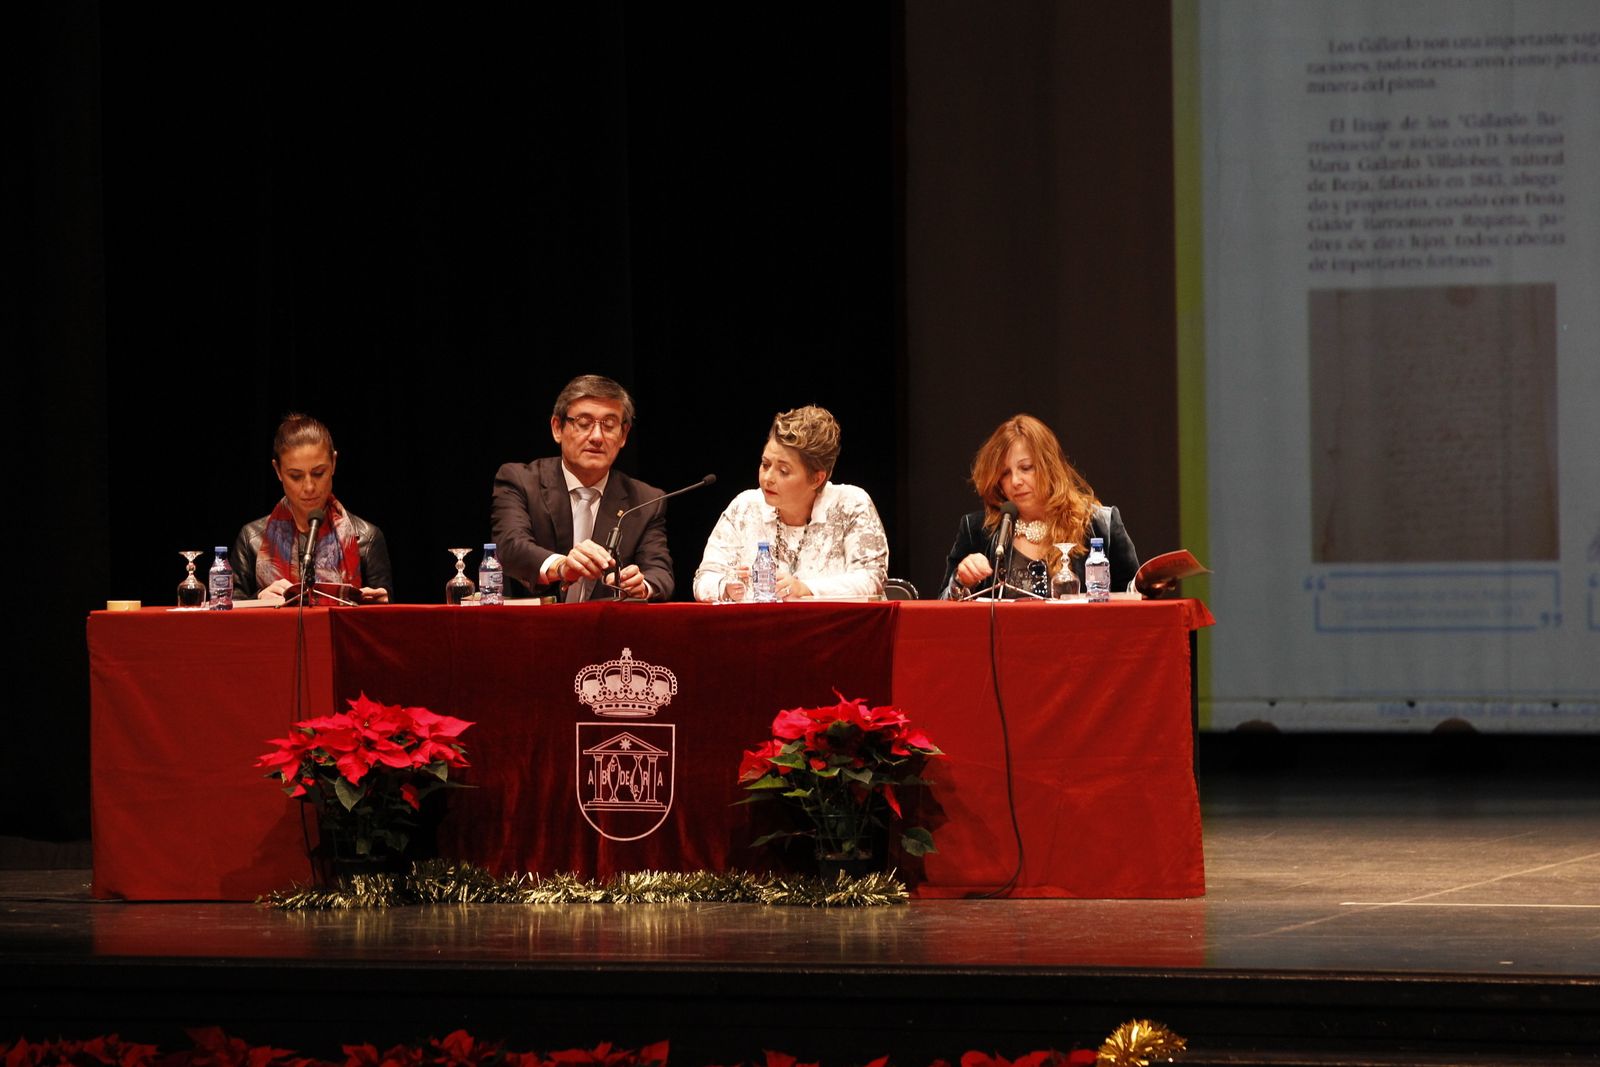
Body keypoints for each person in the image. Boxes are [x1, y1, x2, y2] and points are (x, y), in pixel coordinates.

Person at [490, 375, 674, 601]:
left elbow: (660, 573)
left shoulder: (646, 500)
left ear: (623, 435)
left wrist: (642, 585)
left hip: (607, 629)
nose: (597, 437)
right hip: (531, 627)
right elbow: (510, 547)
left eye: (609, 425)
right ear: (557, 428)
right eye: (584, 423)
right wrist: (561, 566)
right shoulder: (520, 480)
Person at [694, 405, 887, 601]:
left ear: (816, 479)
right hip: (758, 629)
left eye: (783, 471)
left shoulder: (850, 505)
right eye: (765, 464)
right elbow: (704, 578)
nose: (768, 478)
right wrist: (724, 587)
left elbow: (872, 579)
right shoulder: (745, 507)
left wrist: (805, 589)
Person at [942, 414, 1139, 599]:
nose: (1016, 481)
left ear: (1050, 466)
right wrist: (959, 582)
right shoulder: (977, 530)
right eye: (1005, 473)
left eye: (1026, 468)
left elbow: (1137, 601)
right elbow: (940, 610)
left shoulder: (1099, 525)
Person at [233, 413, 393, 603]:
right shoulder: (251, 539)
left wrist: (379, 610)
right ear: (278, 471)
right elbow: (226, 620)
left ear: (333, 463)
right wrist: (258, 600)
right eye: (296, 476)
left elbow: (384, 627)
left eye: (318, 473)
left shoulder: (367, 539)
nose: (309, 487)